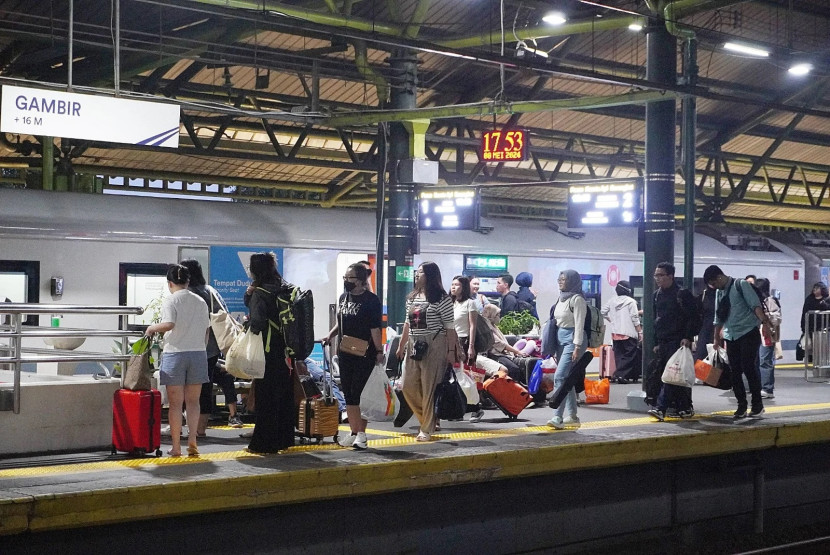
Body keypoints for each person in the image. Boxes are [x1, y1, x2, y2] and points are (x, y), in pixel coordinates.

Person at [145, 264, 210, 457]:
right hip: (198, 354)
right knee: (193, 402)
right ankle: (193, 441)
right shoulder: (200, 301)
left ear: (169, 283)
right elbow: (206, 330)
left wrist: (151, 328)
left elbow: (169, 324)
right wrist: (201, 347)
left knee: (175, 404)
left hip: (175, 354)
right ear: (188, 282)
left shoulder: (171, 300)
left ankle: (176, 446)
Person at [322, 263, 383, 450]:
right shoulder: (343, 298)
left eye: (351, 278)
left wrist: (379, 351)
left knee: (359, 393)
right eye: (345, 278)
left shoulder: (371, 300)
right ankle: (354, 432)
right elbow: (341, 320)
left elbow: (375, 328)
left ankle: (362, 434)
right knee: (348, 393)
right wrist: (330, 335)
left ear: (361, 280)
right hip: (346, 351)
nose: (347, 281)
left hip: (365, 352)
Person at [395, 261, 458, 442]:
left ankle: (426, 428)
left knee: (429, 386)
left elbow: (450, 328)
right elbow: (407, 323)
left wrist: (451, 350)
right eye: (417, 272)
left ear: (430, 276)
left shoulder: (442, 298)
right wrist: (401, 345)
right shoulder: (412, 297)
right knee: (407, 385)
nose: (417, 275)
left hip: (435, 343)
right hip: (414, 344)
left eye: (421, 272)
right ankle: (429, 418)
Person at [179, 259, 243, 436]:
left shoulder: (188, 294)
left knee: (191, 389)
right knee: (205, 388)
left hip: (193, 348)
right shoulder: (211, 291)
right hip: (212, 349)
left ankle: (193, 427)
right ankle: (201, 429)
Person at [705, 265, 773, 419]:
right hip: (731, 335)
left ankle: (757, 405)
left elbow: (755, 305)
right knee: (735, 371)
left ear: (720, 277)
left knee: (748, 367)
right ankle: (741, 405)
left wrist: (765, 325)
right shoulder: (719, 292)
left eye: (714, 283)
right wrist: (716, 338)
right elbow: (718, 317)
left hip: (748, 332)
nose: (714, 287)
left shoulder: (740, 285)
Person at [243, 252, 295, 453]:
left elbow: (257, 322)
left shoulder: (261, 292)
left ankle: (263, 444)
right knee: (282, 395)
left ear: (256, 270)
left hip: (267, 348)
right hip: (285, 349)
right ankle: (283, 439)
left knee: (266, 397)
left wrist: (247, 324)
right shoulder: (284, 287)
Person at [647, 262, 697, 421]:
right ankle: (685, 407)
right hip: (663, 341)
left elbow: (693, 318)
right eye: (656, 275)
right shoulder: (656, 295)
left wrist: (688, 337)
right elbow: (656, 320)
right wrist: (656, 342)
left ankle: (660, 408)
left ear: (670, 276)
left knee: (672, 375)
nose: (657, 278)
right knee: (670, 375)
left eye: (660, 275)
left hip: (678, 342)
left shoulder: (682, 294)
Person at [546, 269, 587, 430]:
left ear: (572, 281)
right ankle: (573, 416)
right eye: (559, 279)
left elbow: (579, 324)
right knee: (566, 379)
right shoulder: (561, 299)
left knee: (560, 376)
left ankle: (557, 416)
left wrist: (577, 346)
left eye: (563, 279)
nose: (560, 281)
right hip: (560, 340)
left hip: (572, 341)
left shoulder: (577, 300)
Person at [450, 275, 484, 423]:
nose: (453, 287)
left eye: (456, 285)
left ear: (463, 287)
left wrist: (470, 346)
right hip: (451, 343)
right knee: (454, 377)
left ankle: (475, 407)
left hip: (463, 342)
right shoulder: (451, 303)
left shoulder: (470, 303)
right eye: (452, 284)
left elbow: (472, 326)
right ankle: (459, 408)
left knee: (464, 377)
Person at [601, 280, 642, 383]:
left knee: (619, 355)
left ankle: (622, 375)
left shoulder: (612, 301)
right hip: (629, 332)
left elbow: (602, 312)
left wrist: (611, 319)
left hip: (616, 332)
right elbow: (634, 317)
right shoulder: (631, 301)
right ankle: (620, 375)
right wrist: (640, 332)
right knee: (629, 355)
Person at [755, 278, 781, 399]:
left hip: (766, 334)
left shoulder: (769, 301)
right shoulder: (759, 300)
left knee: (765, 361)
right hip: (758, 333)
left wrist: (766, 318)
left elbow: (777, 318)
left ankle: (767, 388)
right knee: (760, 360)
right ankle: (762, 386)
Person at [694, 282, 717, 363]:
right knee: (703, 357)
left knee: (716, 358)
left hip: (710, 331)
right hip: (706, 331)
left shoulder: (722, 294)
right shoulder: (703, 296)